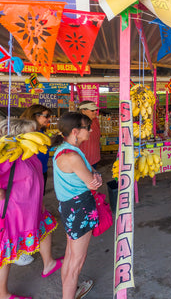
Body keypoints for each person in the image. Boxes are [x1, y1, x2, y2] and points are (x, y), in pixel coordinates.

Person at [0, 118, 60, 299]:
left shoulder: (26, 152)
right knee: (0, 259)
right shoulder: (1, 156)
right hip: (6, 214)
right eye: (31, 132)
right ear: (18, 136)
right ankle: (3, 295)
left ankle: (49, 264)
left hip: (27, 210)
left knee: (43, 231)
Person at [52, 112, 103, 299]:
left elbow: (91, 175)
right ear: (75, 131)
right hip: (80, 209)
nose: (90, 130)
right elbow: (93, 182)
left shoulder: (63, 149)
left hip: (69, 208)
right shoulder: (72, 156)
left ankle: (70, 292)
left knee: (70, 255)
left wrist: (93, 175)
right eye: (87, 127)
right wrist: (95, 177)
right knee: (76, 262)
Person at [20, 105, 53, 194]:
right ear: (34, 116)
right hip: (30, 173)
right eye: (46, 116)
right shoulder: (24, 132)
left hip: (43, 170)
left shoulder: (40, 131)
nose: (49, 119)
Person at [77, 101, 101, 169]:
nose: (95, 112)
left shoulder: (95, 120)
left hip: (94, 156)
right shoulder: (77, 122)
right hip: (83, 159)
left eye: (96, 110)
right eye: (92, 110)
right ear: (83, 111)